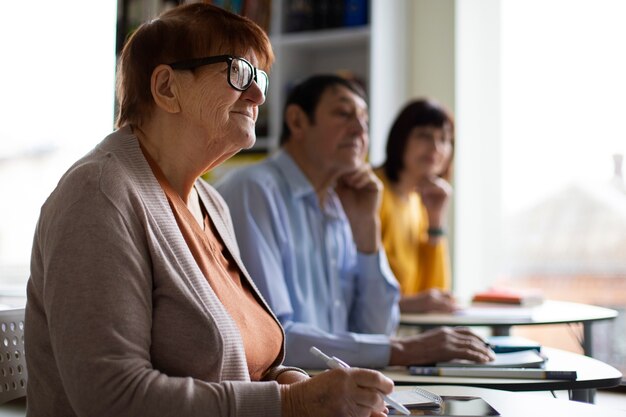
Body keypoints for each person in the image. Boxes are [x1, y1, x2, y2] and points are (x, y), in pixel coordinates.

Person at [24, 5, 394, 417]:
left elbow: (242, 365)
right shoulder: (98, 194)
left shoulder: (210, 201)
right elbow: (112, 399)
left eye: (261, 78)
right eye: (238, 72)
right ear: (166, 87)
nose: (258, 95)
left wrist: (285, 378)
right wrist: (291, 402)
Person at [216, 74, 494, 369]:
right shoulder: (254, 191)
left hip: (340, 391)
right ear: (297, 122)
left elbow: (377, 328)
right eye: (343, 113)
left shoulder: (343, 203)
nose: (360, 128)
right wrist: (403, 350)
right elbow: (274, 340)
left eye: (365, 120)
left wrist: (367, 229)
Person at [375, 99, 457, 313]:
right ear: (400, 138)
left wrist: (436, 219)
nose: (436, 148)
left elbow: (436, 291)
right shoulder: (371, 191)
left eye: (445, 139)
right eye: (424, 136)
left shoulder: (419, 202)